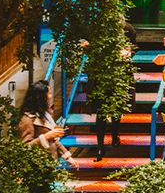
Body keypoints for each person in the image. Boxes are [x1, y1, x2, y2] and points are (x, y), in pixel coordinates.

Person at [84, 25, 138, 160]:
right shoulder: (98, 29)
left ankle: (111, 139)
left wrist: (128, 51)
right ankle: (103, 145)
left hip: (113, 73)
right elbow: (88, 46)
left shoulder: (126, 29)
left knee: (114, 107)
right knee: (105, 109)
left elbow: (133, 48)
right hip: (105, 74)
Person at [18, 80, 72, 163]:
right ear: (40, 97)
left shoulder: (44, 115)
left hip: (51, 163)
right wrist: (46, 136)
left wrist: (68, 157)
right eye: (49, 93)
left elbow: (53, 140)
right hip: (38, 167)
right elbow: (25, 148)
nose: (50, 96)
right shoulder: (27, 120)